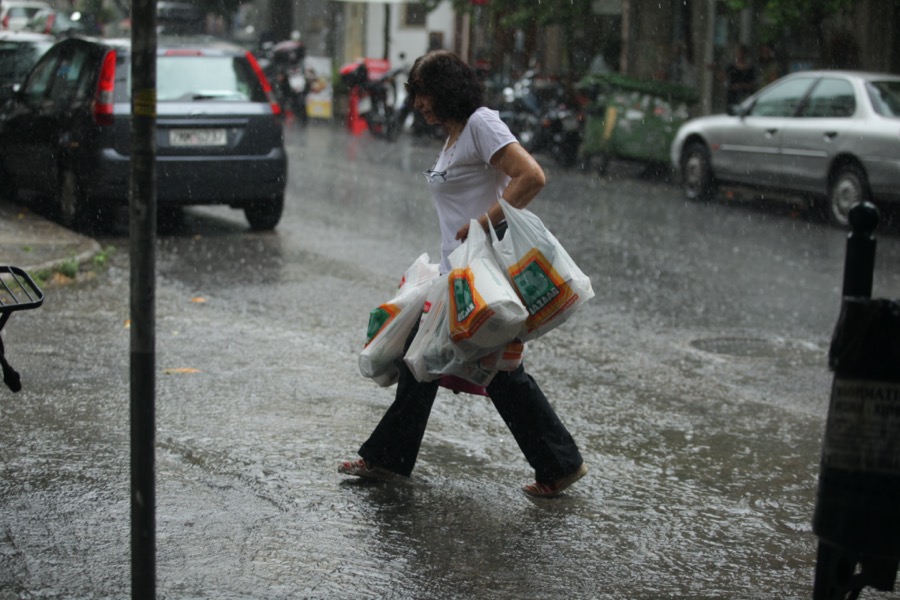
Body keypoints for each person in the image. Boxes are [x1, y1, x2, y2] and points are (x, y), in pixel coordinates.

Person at [338, 50, 587, 498]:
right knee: (450, 366)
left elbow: (531, 176)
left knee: (465, 367)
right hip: (457, 274)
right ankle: (558, 463)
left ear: (448, 89)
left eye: (424, 93)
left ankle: (557, 462)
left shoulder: (480, 125)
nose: (418, 104)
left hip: (481, 275)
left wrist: (483, 225)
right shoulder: (454, 137)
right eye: (415, 95)